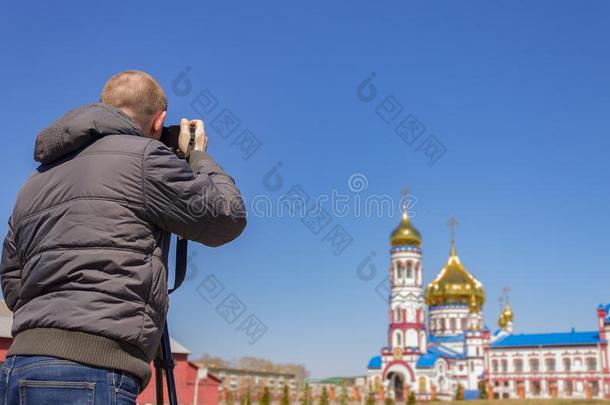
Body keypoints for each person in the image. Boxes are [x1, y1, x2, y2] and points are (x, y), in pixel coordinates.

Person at [0, 70, 246, 404]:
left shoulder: (34, 182)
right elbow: (226, 217)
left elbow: (12, 280)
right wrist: (198, 156)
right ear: (159, 122)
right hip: (93, 369)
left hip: (19, 367)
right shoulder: (144, 158)